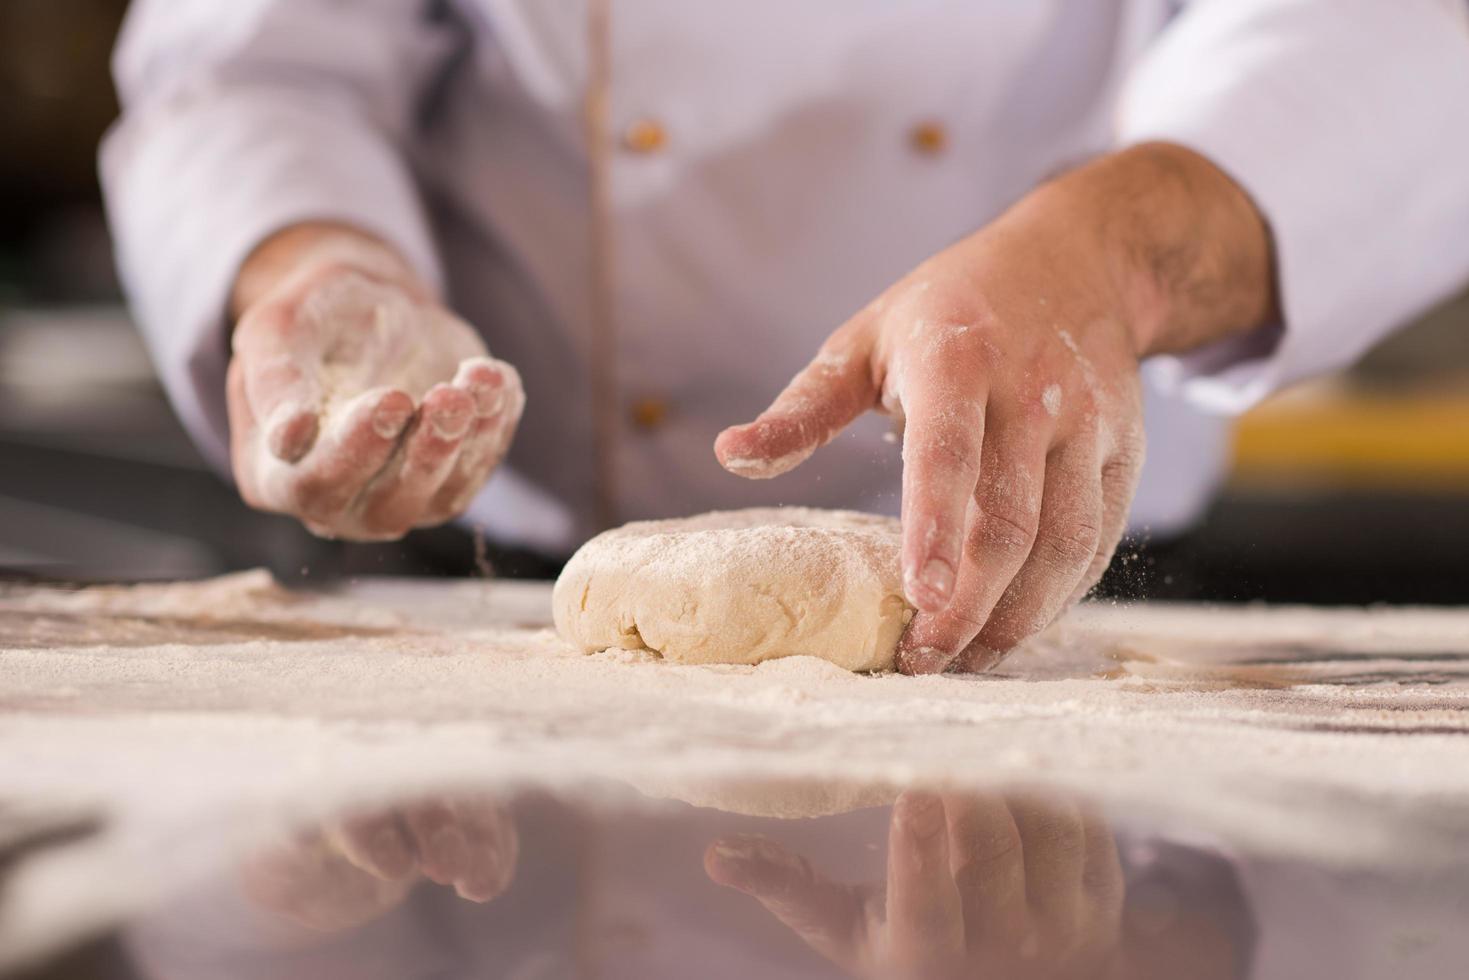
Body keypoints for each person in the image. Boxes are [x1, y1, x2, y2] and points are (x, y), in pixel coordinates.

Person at [101, 1, 1469, 674]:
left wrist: (1114, 251)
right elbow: (250, 58)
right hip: (494, 587)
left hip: (1059, 588)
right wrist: (314, 256)